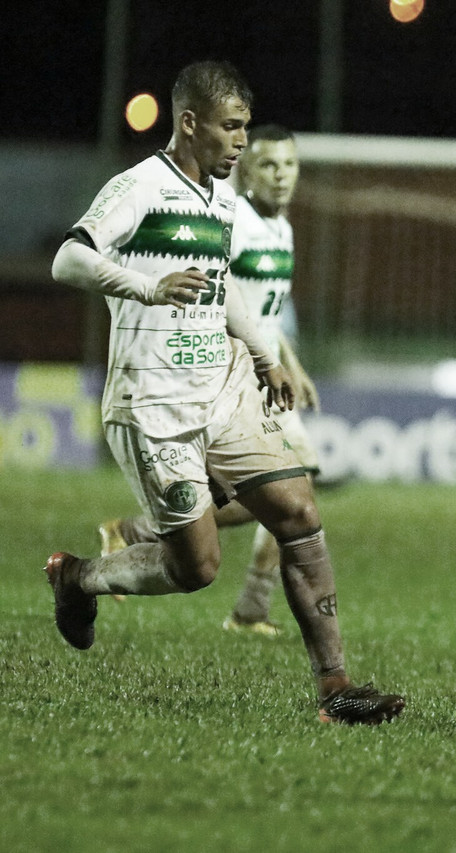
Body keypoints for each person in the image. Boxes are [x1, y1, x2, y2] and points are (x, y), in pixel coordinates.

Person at [46, 60, 404, 726]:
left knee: (297, 509)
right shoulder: (141, 186)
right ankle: (79, 577)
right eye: (230, 127)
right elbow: (69, 258)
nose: (241, 141)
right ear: (189, 123)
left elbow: (222, 283)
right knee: (197, 565)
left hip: (223, 386)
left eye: (244, 126)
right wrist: (146, 286)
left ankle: (336, 688)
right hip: (153, 401)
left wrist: (267, 357)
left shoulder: (220, 197)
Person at [98, 124, 320, 640]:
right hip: (233, 371)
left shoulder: (282, 227)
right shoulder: (233, 220)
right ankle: (147, 536)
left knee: (292, 496)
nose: (281, 176)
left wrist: (292, 362)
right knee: (291, 491)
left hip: (265, 370)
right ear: (246, 168)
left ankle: (248, 608)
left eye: (289, 165)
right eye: (268, 164)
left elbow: (266, 312)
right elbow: (222, 297)